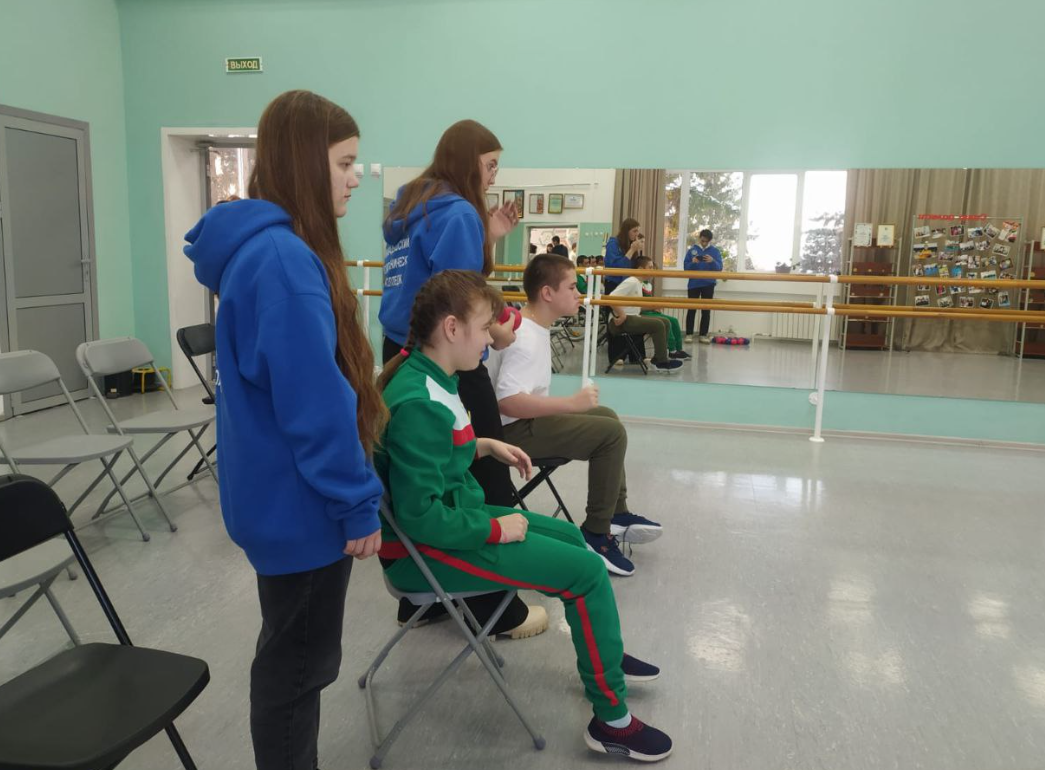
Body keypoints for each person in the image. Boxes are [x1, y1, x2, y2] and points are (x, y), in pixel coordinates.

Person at [375, 270, 673, 762]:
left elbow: (435, 457)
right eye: (485, 328)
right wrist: (495, 528)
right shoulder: (419, 400)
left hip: (451, 524)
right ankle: (611, 721)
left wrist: (484, 445)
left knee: (573, 540)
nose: (490, 340)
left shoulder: (429, 376)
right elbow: (419, 515)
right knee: (587, 572)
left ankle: (603, 650)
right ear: (452, 328)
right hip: (425, 551)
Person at [184, 90, 383, 770]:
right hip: (301, 506)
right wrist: (356, 500)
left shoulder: (266, 252)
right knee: (297, 672)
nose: (355, 178)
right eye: (345, 163)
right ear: (305, 161)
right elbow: (314, 405)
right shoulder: (283, 260)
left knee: (291, 662)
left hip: (275, 497)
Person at [378, 119, 544, 639]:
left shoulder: (413, 208)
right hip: (445, 354)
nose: (493, 177)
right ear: (466, 161)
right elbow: (459, 296)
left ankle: (425, 600)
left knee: (422, 471)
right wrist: (498, 328)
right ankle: (500, 609)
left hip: (402, 350)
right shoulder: (458, 213)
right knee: (482, 471)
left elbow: (428, 280)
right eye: (490, 165)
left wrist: (487, 235)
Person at [488, 254, 664, 577]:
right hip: (511, 434)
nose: (579, 294)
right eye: (571, 287)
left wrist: (572, 405)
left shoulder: (533, 326)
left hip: (523, 425)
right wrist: (570, 404)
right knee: (611, 435)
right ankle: (596, 533)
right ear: (547, 293)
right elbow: (508, 402)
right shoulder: (525, 336)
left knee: (607, 415)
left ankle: (616, 512)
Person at [607, 255, 682, 373]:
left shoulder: (638, 283)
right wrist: (622, 315)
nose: (653, 270)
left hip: (632, 317)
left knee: (666, 322)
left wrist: (653, 306)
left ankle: (658, 358)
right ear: (641, 269)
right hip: (621, 321)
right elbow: (611, 298)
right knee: (658, 324)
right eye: (650, 267)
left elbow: (636, 307)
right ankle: (662, 362)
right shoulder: (631, 281)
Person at [683, 228, 723, 343]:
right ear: (699, 238)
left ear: (710, 240)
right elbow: (686, 268)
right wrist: (693, 262)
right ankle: (689, 334)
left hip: (709, 284)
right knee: (691, 309)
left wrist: (712, 261)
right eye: (702, 240)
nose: (704, 243)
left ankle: (703, 335)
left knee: (706, 311)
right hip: (694, 284)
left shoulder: (715, 251)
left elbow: (719, 268)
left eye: (706, 241)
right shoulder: (692, 250)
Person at [640, 277, 690, 359]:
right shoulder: (637, 284)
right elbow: (638, 307)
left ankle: (679, 349)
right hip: (643, 312)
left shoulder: (648, 285)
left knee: (674, 320)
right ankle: (672, 350)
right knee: (666, 321)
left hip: (651, 311)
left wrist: (655, 307)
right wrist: (653, 307)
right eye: (649, 269)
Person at [604, 218, 643, 293]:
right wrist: (632, 250)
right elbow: (616, 267)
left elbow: (633, 266)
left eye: (638, 231)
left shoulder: (630, 244)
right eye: (634, 231)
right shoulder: (613, 243)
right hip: (614, 283)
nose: (637, 234)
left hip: (627, 282)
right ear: (626, 231)